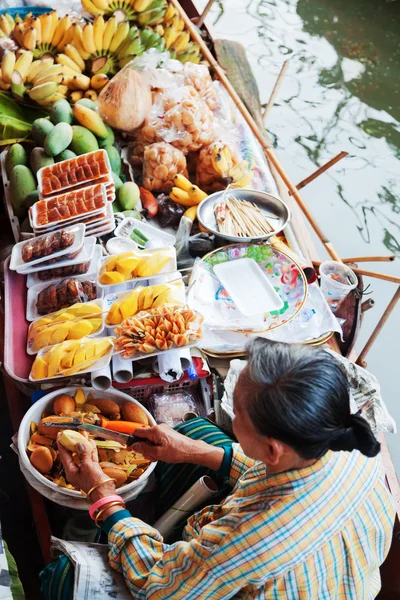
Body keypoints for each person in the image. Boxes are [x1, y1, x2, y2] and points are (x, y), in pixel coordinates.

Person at [43, 339, 395, 599]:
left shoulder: (250, 537)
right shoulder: (346, 438)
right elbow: (266, 470)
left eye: (237, 413)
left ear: (272, 449)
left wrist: (102, 497)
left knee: (61, 577)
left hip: (237, 574)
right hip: (291, 551)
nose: (233, 416)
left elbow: (158, 588)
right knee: (193, 435)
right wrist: (193, 451)